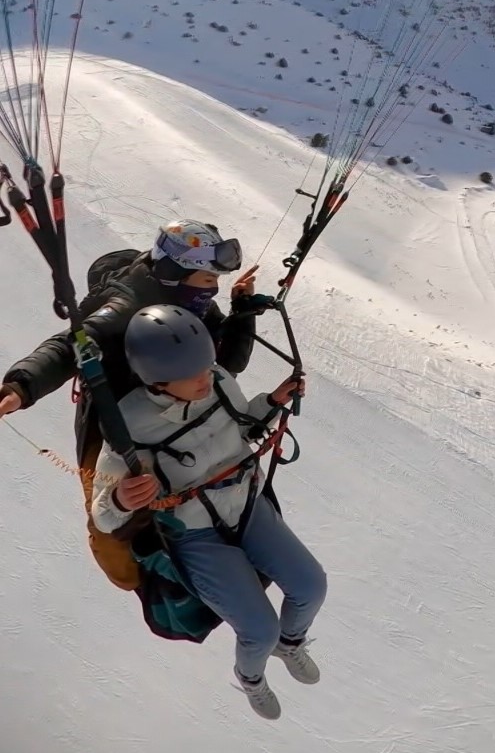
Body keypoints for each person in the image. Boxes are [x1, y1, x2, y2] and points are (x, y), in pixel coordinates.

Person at [91, 304, 327, 721]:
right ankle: (251, 677)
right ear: (158, 380)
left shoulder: (215, 381)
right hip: (197, 535)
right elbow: (104, 516)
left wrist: (271, 402)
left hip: (247, 506)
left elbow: (241, 428)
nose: (207, 377)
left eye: (207, 366)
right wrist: (124, 499)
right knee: (258, 629)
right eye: (195, 374)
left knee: (311, 585)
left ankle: (290, 644)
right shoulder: (128, 426)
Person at [0, 218, 260, 466]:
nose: (213, 289)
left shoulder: (192, 306)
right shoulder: (126, 309)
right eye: (208, 279)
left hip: (171, 422)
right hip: (113, 426)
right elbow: (70, 348)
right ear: (175, 273)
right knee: (110, 502)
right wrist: (21, 387)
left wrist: (243, 312)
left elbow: (228, 364)